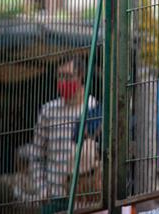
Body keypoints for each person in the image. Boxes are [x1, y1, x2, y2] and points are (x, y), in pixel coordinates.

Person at [29, 57, 98, 213]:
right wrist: (42, 189)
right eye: (59, 76)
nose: (62, 81)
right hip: (53, 198)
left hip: (82, 198)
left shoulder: (93, 108)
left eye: (67, 76)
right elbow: (36, 156)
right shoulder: (48, 111)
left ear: (80, 76)